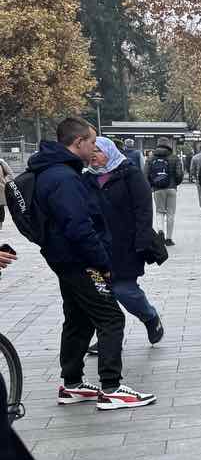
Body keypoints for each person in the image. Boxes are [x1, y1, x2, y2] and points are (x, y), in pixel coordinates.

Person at [28, 117, 155, 411]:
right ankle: (111, 388)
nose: (96, 148)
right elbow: (78, 226)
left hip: (65, 260)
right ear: (78, 143)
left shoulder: (52, 173)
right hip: (81, 261)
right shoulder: (64, 178)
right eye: (93, 142)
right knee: (111, 318)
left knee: (78, 318)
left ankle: (71, 384)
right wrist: (102, 261)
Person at [88, 137, 164, 345]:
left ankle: (149, 316)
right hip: (97, 246)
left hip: (127, 245)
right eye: (91, 150)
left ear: (110, 152)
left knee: (124, 290)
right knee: (101, 294)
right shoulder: (86, 178)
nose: (94, 155)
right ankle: (109, 338)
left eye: (99, 151)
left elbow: (144, 210)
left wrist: (142, 241)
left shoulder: (129, 173)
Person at [145, 141, 184, 245]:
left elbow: (145, 174)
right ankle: (169, 238)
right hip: (172, 188)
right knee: (171, 213)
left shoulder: (151, 158)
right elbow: (179, 173)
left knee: (159, 211)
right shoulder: (174, 158)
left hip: (157, 189)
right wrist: (176, 183)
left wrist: (151, 185)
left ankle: (160, 231)